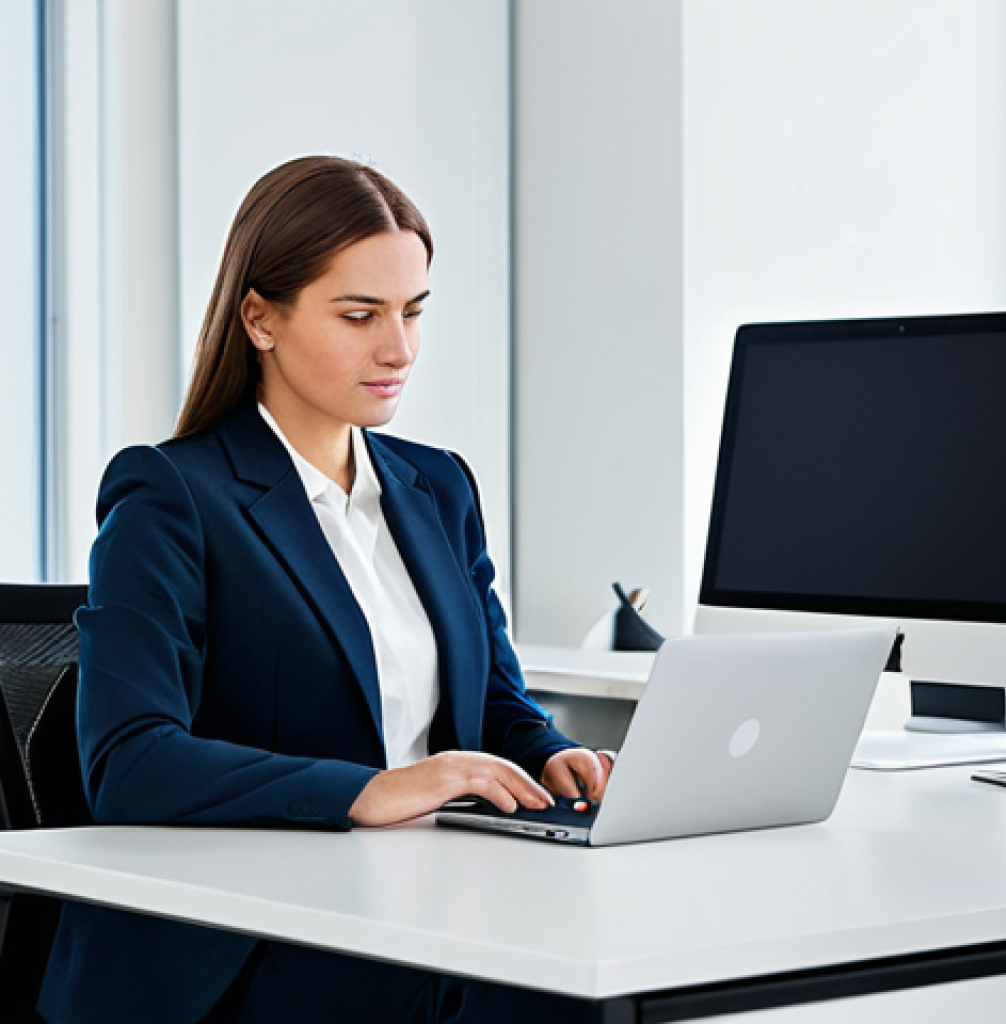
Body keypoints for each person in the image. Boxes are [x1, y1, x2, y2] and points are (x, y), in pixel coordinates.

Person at [37, 156, 613, 1024]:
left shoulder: (438, 487)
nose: (399, 349)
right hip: (243, 946)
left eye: (413, 312)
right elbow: (131, 760)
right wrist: (365, 788)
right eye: (360, 315)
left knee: (598, 985)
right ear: (260, 319)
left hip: (425, 905)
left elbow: (493, 703)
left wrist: (545, 753)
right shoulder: (171, 495)